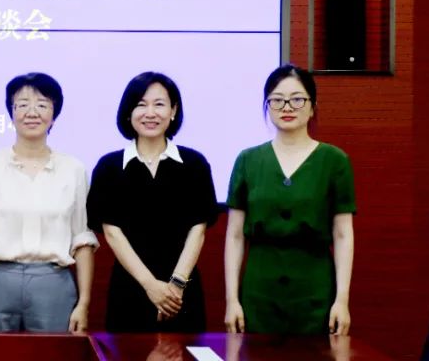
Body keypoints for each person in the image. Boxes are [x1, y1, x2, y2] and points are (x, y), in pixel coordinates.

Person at [0, 72, 97, 332]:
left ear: (54, 114)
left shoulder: (74, 169)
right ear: (11, 113)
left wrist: (84, 302)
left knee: (53, 352)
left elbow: (82, 241)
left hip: (53, 283)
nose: (32, 112)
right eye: (22, 105)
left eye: (42, 105)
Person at [224, 64, 355, 335]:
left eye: (297, 99)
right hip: (258, 293)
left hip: (315, 292)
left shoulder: (335, 160)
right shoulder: (247, 160)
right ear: (267, 106)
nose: (287, 107)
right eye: (277, 100)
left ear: (312, 107)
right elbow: (235, 235)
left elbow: (343, 234)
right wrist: (232, 300)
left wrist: (342, 300)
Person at [85, 72, 217, 332]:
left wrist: (176, 285)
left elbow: (198, 229)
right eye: (141, 104)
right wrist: (150, 286)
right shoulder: (109, 167)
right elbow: (112, 233)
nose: (150, 113)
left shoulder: (194, 164)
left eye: (159, 104)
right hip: (130, 288)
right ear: (128, 112)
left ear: (173, 110)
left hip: (181, 292)